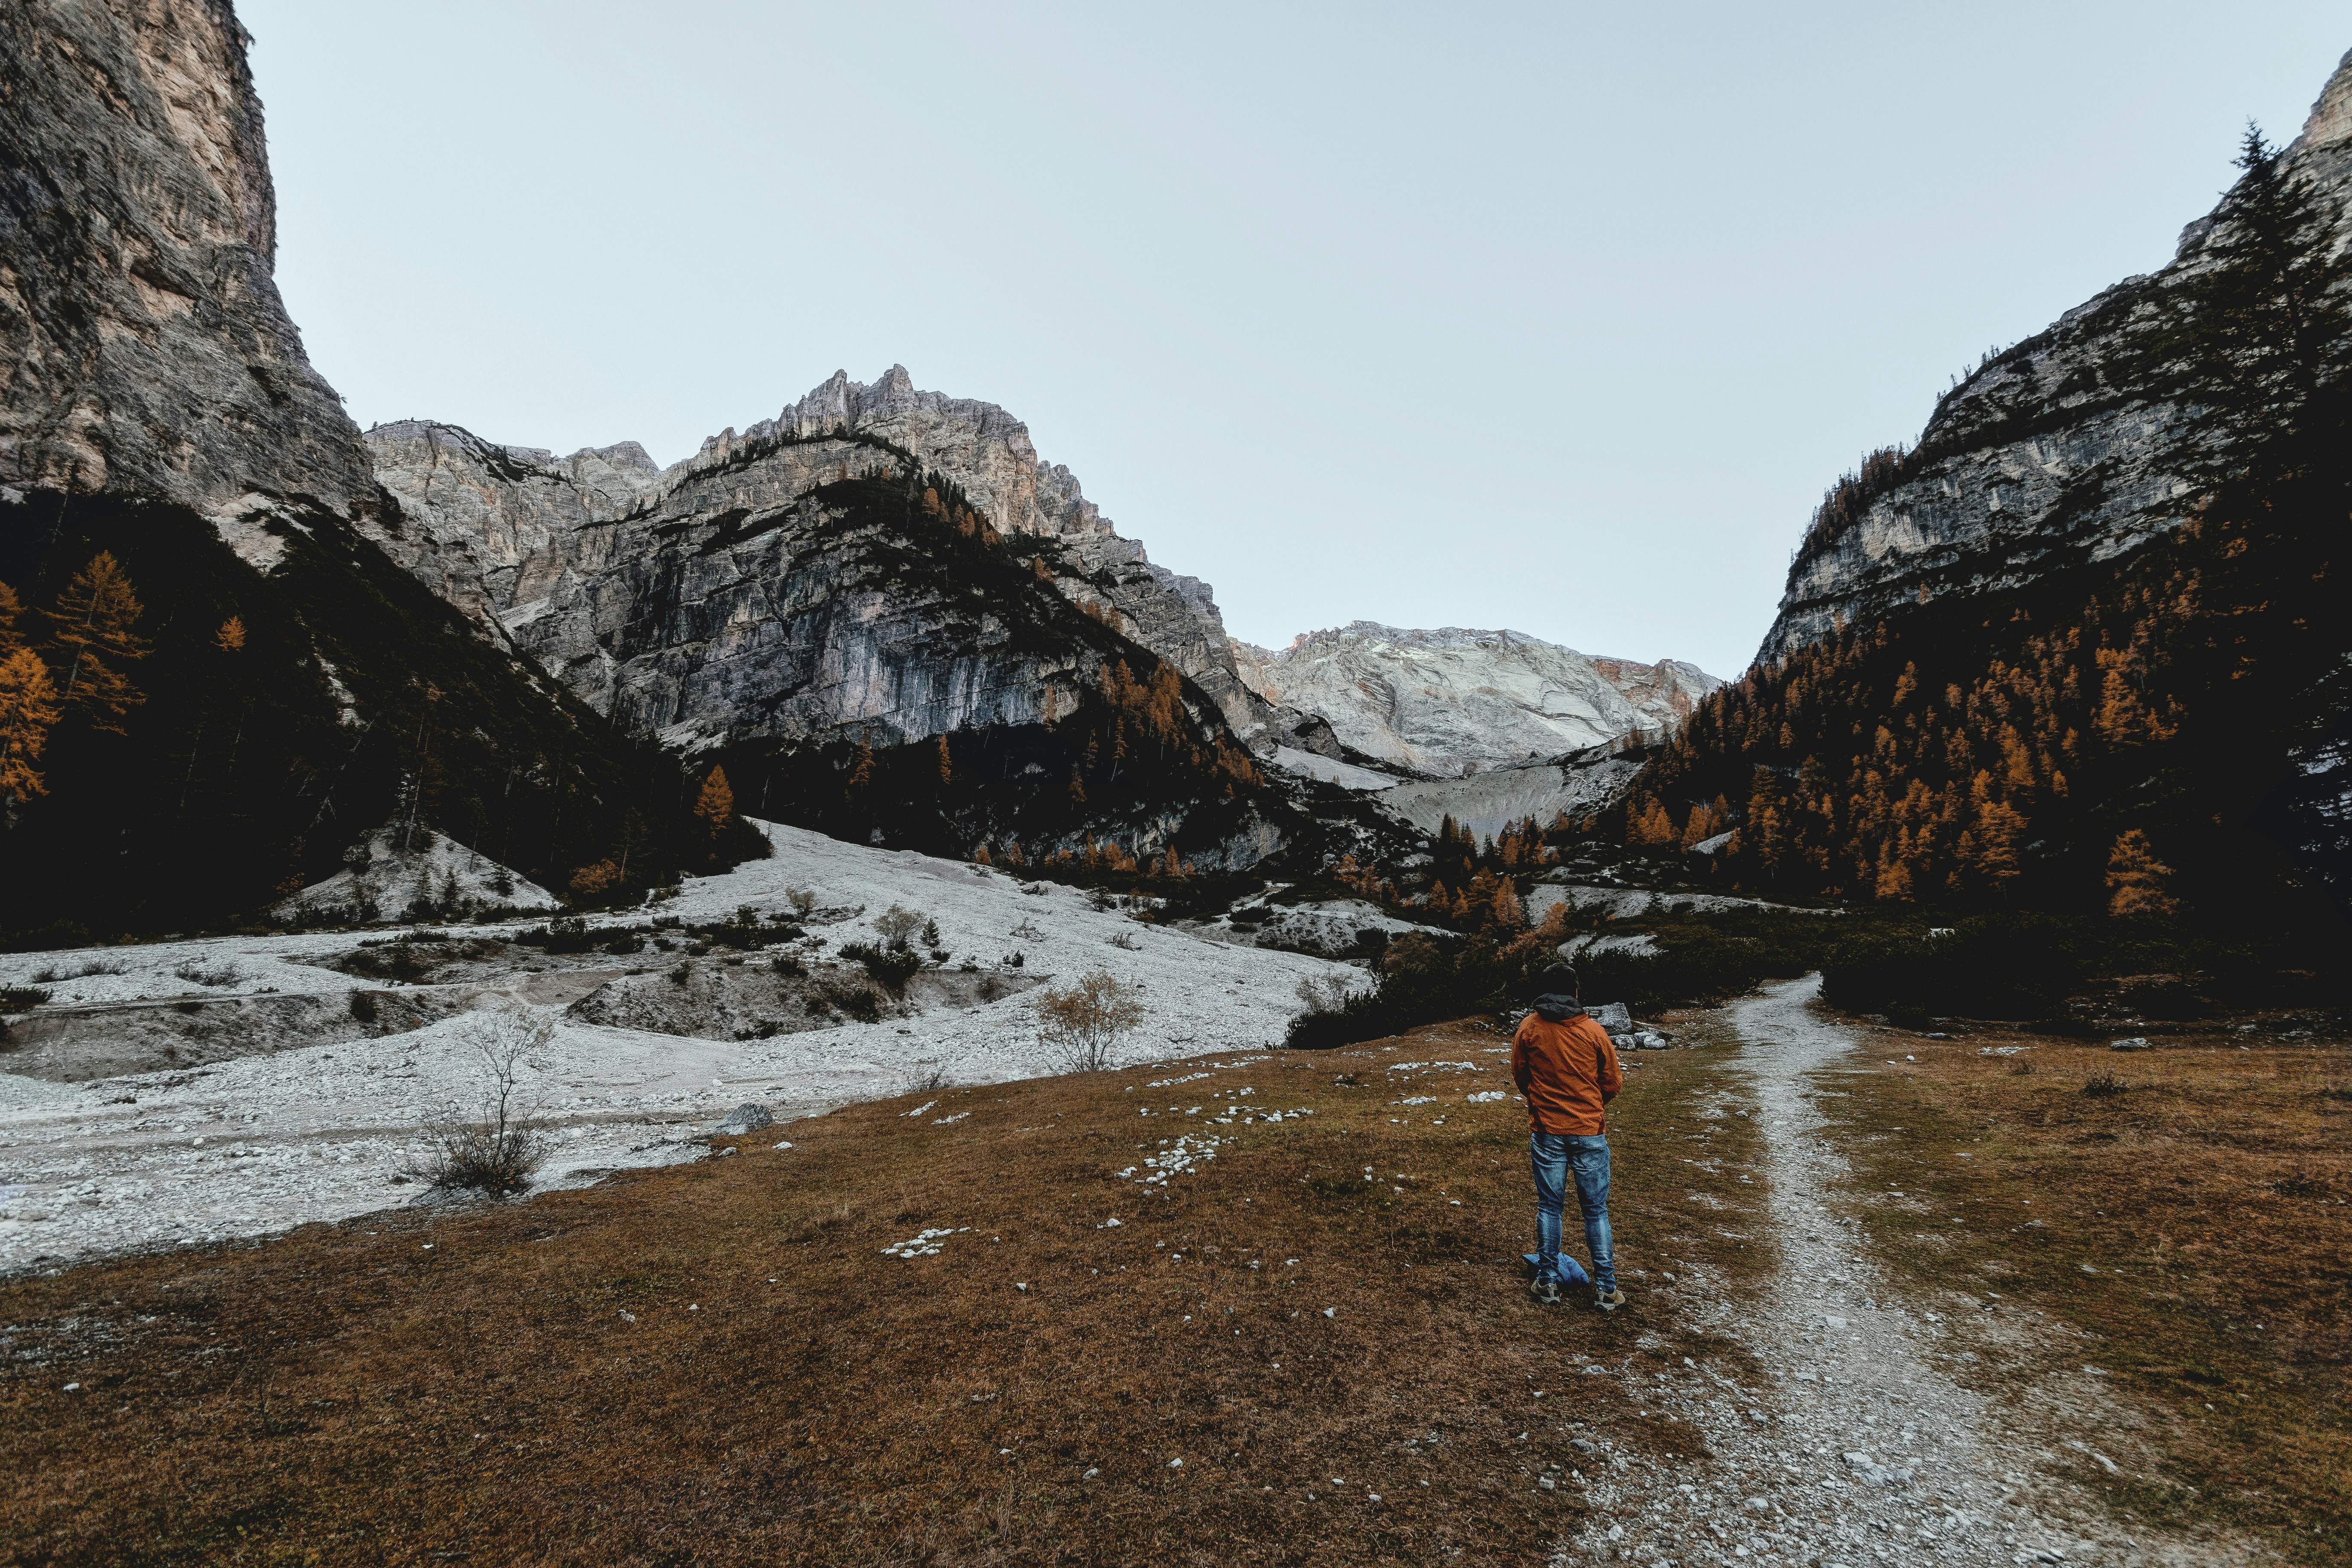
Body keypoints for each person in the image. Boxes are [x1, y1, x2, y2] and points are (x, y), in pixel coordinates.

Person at [1510, 963, 1626, 1309]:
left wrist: (1541, 1102)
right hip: (1589, 1131)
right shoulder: (1593, 1031)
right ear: (1576, 992)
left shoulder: (1529, 1028)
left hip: (1547, 1131)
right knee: (1596, 1211)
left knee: (1550, 1206)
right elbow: (1613, 1083)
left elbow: (1520, 1075)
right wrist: (1590, 1107)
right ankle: (1606, 1289)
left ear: (1544, 991)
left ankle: (1546, 1283)